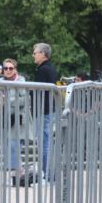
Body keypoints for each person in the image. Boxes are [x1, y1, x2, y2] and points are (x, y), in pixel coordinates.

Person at [0, 58, 30, 184]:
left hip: (18, 118)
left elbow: (25, 100)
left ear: (15, 69)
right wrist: (0, 101)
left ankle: (16, 175)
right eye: (6, 68)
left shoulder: (21, 81)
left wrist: (8, 101)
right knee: (6, 147)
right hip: (3, 118)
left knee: (14, 146)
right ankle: (16, 175)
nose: (8, 70)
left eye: (11, 68)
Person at [32, 42, 58, 182]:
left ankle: (47, 175)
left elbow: (39, 90)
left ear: (43, 54)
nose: (33, 55)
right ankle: (48, 174)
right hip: (47, 110)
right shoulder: (50, 68)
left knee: (44, 143)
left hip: (43, 111)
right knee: (45, 142)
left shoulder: (43, 70)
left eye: (35, 52)